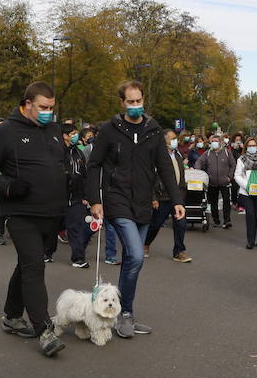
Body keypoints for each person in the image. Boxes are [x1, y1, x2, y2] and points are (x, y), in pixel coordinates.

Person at [0, 82, 69, 357]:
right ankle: (44, 330)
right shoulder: (5, 132)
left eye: (52, 108)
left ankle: (12, 315)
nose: (48, 113)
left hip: (50, 213)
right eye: (43, 108)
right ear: (27, 104)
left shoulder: (52, 129)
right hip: (20, 213)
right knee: (34, 265)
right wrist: (8, 186)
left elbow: (58, 166)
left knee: (27, 265)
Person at [87, 80, 185, 338]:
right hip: (117, 200)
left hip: (143, 203)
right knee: (137, 255)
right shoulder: (109, 130)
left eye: (138, 101)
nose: (135, 106)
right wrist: (95, 199)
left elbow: (165, 167)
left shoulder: (153, 131)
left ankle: (123, 313)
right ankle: (124, 314)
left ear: (143, 101)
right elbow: (94, 164)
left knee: (133, 261)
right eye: (130, 102)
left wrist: (176, 200)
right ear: (122, 103)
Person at [145, 130, 191, 262]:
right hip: (163, 196)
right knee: (156, 223)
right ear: (164, 141)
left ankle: (179, 251)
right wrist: (153, 197)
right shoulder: (157, 156)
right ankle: (146, 243)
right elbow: (151, 178)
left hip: (178, 197)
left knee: (181, 224)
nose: (175, 140)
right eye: (172, 138)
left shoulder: (177, 155)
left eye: (175, 138)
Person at [61, 123, 93, 267]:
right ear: (64, 135)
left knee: (77, 227)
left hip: (76, 197)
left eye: (76, 133)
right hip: (60, 196)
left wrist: (86, 195)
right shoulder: (58, 152)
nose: (75, 136)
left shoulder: (78, 152)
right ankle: (46, 252)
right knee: (51, 227)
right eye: (72, 133)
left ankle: (78, 258)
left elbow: (85, 175)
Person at [234, 139, 257, 249]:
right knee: (250, 215)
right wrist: (247, 185)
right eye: (249, 145)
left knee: (256, 216)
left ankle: (253, 239)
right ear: (246, 147)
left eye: (254, 145)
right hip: (246, 193)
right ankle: (250, 241)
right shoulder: (241, 159)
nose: (252, 147)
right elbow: (237, 175)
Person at [197, 133, 234, 229]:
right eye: (212, 141)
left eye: (216, 141)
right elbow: (199, 162)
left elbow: (233, 165)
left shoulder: (227, 152)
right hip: (212, 182)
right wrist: (197, 171)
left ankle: (227, 220)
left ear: (220, 142)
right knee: (213, 202)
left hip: (224, 182)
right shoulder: (208, 153)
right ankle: (216, 220)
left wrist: (229, 177)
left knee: (226, 201)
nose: (214, 143)